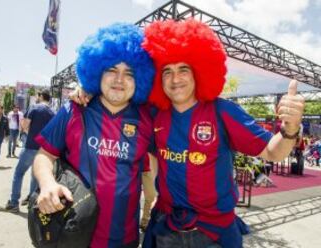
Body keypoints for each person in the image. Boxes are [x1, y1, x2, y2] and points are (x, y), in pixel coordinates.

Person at [139, 19, 304, 248]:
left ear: (198, 71)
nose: (175, 79)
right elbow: (156, 152)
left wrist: (290, 129)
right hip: (166, 228)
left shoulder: (222, 111)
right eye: (167, 71)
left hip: (213, 234)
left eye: (183, 69)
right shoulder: (156, 114)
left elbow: (272, 152)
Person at [33, 23, 155, 248]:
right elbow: (44, 154)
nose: (119, 80)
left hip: (123, 240)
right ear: (97, 71)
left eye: (128, 73)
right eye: (111, 70)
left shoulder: (148, 119)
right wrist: (47, 182)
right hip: (72, 237)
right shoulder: (74, 110)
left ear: (140, 78)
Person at [0, 89, 54, 212]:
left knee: (19, 173)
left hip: (30, 146)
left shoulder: (34, 108)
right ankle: (32, 204)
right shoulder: (53, 112)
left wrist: (25, 127)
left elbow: (24, 125)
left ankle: (14, 203)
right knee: (35, 177)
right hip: (43, 151)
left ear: (40, 96)